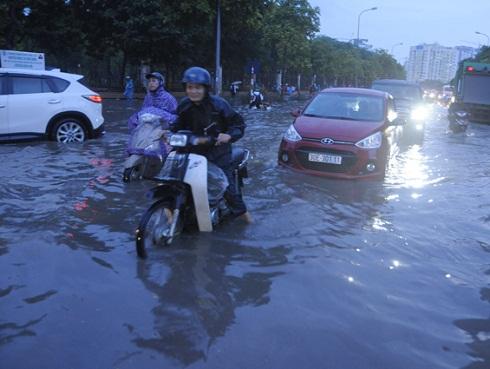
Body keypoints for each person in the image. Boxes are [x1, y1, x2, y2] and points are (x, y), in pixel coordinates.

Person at [171, 66, 252, 223]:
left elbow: (239, 125)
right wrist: (166, 133)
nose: (193, 91)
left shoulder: (219, 105)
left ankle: (247, 218)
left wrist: (228, 135)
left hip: (218, 151)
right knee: (174, 180)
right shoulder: (184, 105)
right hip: (191, 150)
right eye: (190, 87)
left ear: (205, 88)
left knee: (226, 187)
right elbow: (176, 126)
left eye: (198, 88)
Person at [127, 72, 178, 158]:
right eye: (149, 81)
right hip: (148, 128)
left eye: (154, 81)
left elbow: (176, 117)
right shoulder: (148, 96)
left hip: (162, 129)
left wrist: (159, 115)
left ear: (160, 83)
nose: (151, 83)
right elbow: (144, 111)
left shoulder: (168, 98)